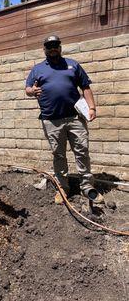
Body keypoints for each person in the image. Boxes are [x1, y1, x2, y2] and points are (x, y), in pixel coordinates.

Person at [25, 35, 104, 205]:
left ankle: (87, 187)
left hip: (75, 118)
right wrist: (31, 91)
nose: (52, 48)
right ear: (44, 49)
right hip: (51, 120)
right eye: (49, 46)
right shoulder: (37, 69)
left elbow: (85, 86)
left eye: (55, 45)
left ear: (60, 47)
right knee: (58, 154)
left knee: (82, 151)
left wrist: (92, 107)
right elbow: (28, 89)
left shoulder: (73, 65)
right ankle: (63, 188)